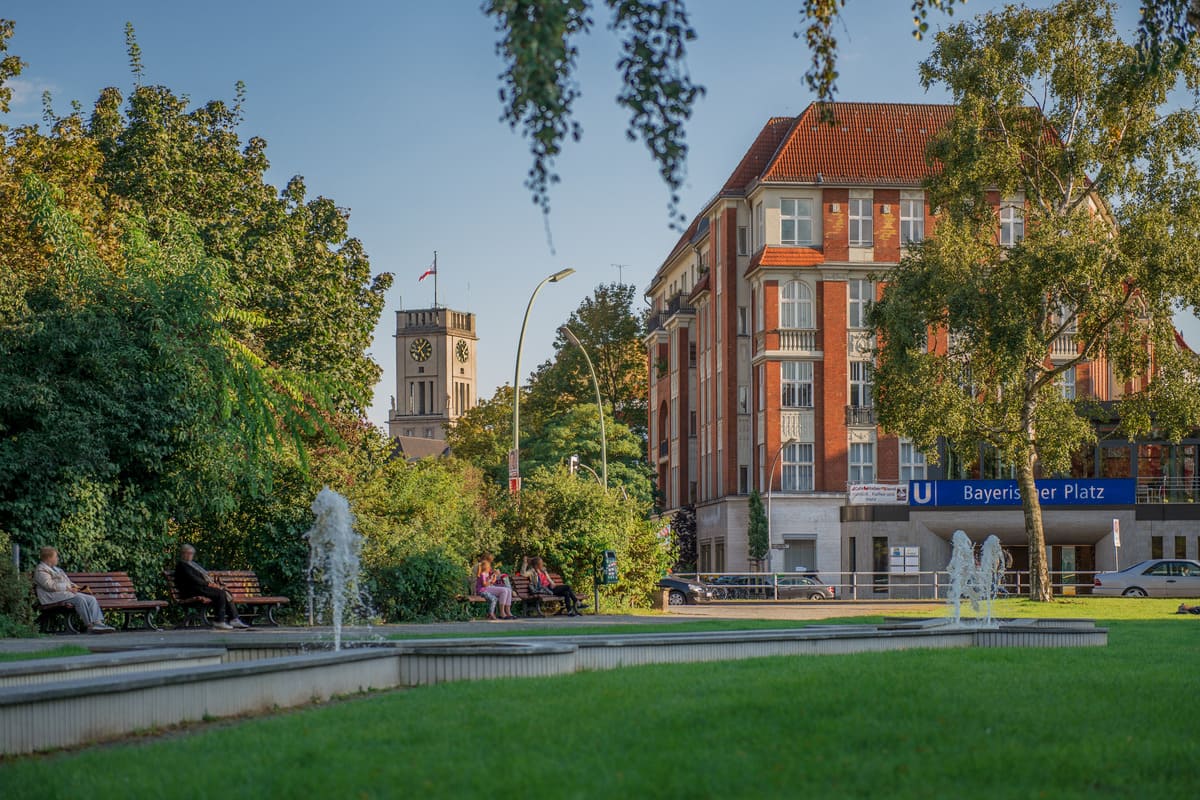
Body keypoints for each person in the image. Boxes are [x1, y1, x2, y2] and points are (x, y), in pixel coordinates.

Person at [33, 547, 115, 634]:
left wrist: (75, 587)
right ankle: (90, 626)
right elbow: (49, 585)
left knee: (91, 599)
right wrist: (67, 587)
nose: (57, 559)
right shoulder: (41, 570)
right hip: (52, 596)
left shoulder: (56, 569)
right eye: (56, 556)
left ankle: (98, 624)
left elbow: (67, 582)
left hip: (64, 594)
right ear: (49, 558)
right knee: (80, 600)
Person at [174, 544, 249, 630]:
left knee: (224, 592)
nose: (191, 555)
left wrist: (211, 584)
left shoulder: (191, 564)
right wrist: (208, 584)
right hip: (190, 591)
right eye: (189, 553)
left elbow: (199, 578)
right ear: (183, 553)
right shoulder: (182, 566)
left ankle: (234, 619)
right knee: (220, 593)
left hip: (198, 588)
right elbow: (193, 579)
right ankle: (219, 621)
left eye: (192, 553)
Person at [475, 553, 514, 621]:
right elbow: (485, 583)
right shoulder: (481, 569)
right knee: (504, 590)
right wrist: (491, 579)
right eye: (490, 562)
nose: (490, 565)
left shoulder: (486, 570)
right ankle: (502, 613)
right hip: (484, 589)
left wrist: (494, 576)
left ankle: (508, 612)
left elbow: (491, 581)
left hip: (488, 587)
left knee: (508, 590)